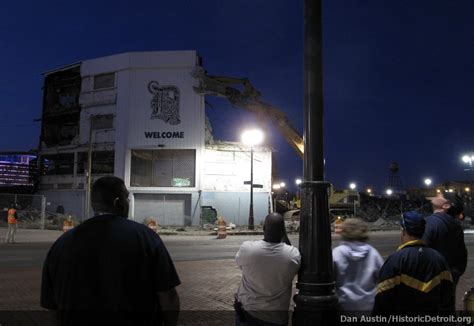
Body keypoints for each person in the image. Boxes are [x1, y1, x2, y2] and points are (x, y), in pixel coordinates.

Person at [41, 176, 180, 326]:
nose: (128, 203)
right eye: (126, 199)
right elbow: (167, 296)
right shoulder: (146, 238)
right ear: (118, 202)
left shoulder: (62, 244)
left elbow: (52, 308)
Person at [372, 211, 454, 316]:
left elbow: (382, 299)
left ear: (403, 231)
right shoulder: (439, 259)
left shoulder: (395, 260)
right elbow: (448, 298)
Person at [235, 213, 300, 326]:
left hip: (248, 312)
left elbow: (239, 263)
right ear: (283, 231)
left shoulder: (247, 249)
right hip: (276, 317)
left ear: (264, 228)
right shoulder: (292, 255)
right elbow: (289, 251)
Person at [332, 218, 383, 313]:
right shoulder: (373, 253)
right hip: (369, 307)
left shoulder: (337, 253)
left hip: (345, 306)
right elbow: (383, 279)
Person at [422, 192, 467, 290]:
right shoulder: (456, 226)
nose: (436, 195)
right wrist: (454, 274)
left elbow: (419, 252)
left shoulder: (430, 223)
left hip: (431, 283)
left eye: (440, 195)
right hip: (448, 279)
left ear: (446, 205)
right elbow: (462, 256)